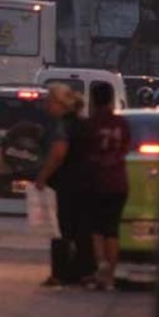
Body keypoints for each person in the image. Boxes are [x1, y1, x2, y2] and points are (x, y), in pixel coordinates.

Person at [34, 83, 95, 287]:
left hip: (65, 183)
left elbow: (58, 153)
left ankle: (60, 273)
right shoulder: (84, 123)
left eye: (48, 102)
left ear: (59, 104)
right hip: (86, 182)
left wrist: (43, 176)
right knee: (82, 229)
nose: (46, 106)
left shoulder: (62, 125)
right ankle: (85, 272)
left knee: (60, 229)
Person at [85, 82, 130, 290]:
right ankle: (110, 277)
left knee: (96, 229)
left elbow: (85, 153)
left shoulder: (91, 124)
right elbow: (126, 147)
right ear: (112, 98)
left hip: (96, 180)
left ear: (93, 100)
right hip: (119, 182)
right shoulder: (121, 123)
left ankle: (100, 263)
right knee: (112, 229)